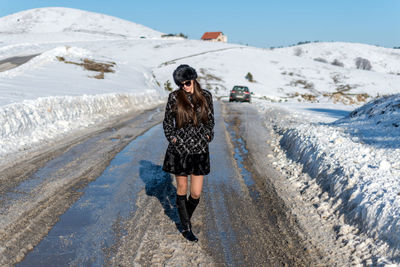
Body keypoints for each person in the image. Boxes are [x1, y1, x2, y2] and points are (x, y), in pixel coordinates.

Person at [162, 64, 215, 242]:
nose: (185, 86)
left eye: (187, 82)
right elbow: (167, 122)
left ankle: (185, 218)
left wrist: (208, 135)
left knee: (196, 193)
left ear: (193, 79)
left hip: (199, 150)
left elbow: (210, 120)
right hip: (180, 150)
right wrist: (173, 138)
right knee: (182, 188)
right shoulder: (174, 97)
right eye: (181, 83)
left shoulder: (206, 96)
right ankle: (186, 227)